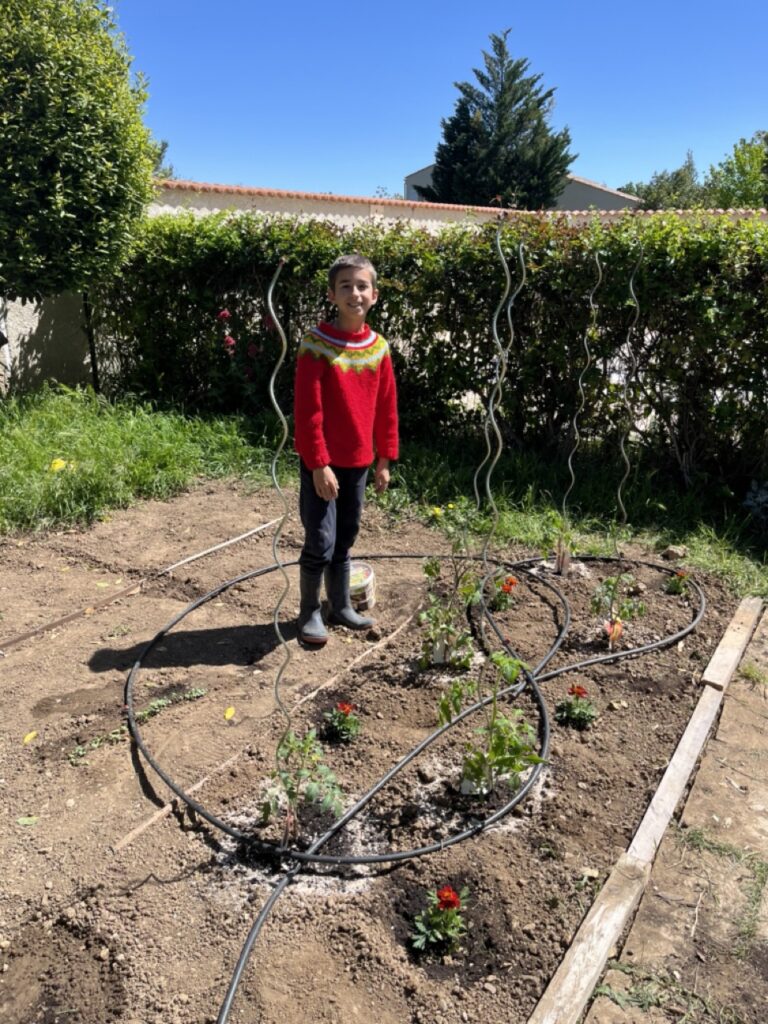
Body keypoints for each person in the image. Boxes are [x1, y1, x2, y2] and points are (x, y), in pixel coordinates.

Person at [293, 253, 399, 646]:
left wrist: (384, 459)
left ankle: (340, 606)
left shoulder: (378, 348)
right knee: (319, 540)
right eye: (345, 287)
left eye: (361, 286)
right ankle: (309, 612)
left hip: (358, 462)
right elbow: (308, 412)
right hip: (322, 464)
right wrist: (318, 464)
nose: (354, 293)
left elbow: (387, 408)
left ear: (374, 294)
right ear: (332, 295)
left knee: (346, 537)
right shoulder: (316, 345)